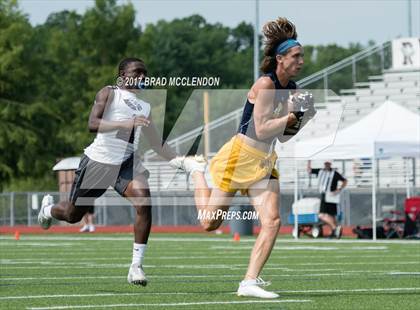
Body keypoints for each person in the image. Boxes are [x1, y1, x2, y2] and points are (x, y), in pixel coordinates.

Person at [170, 17, 315, 298]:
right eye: (296, 56)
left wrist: (303, 119)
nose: (301, 61)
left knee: (272, 221)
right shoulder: (265, 84)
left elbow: (284, 136)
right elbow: (261, 128)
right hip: (240, 156)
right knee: (209, 223)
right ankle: (196, 170)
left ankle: (249, 281)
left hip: (264, 161)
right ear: (280, 58)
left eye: (302, 56)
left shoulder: (293, 90)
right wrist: (293, 116)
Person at [38, 57, 177, 286]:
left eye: (145, 73)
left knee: (144, 202)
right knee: (73, 215)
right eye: (137, 72)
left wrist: (182, 161)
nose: (142, 76)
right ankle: (49, 209)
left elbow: (156, 143)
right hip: (98, 162)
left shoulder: (145, 106)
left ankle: (136, 266)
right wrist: (125, 124)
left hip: (125, 163)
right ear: (122, 75)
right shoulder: (109, 93)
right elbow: (92, 123)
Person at [307, 160, 347, 238]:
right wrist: (309, 161)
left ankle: (335, 229)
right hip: (324, 194)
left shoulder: (334, 173)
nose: (326, 165)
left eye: (328, 164)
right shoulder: (321, 171)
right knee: (327, 215)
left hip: (331, 195)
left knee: (325, 214)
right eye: (326, 164)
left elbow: (345, 181)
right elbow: (309, 170)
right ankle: (335, 230)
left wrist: (339, 189)